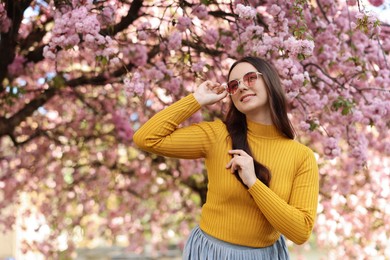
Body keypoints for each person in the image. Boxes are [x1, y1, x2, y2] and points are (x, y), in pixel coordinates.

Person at [133, 56, 319, 259]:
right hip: (210, 252)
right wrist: (196, 100)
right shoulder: (218, 135)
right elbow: (146, 138)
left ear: (270, 82)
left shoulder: (302, 156)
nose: (241, 87)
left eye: (250, 78)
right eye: (234, 85)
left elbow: (300, 231)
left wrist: (253, 183)